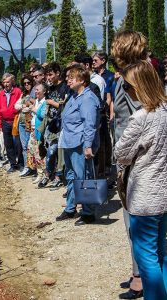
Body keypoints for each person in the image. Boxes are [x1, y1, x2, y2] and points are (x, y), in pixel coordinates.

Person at [115, 60, 167, 300]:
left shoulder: (141, 117)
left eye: (127, 86)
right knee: (162, 254)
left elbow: (121, 154)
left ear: (139, 86)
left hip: (145, 196)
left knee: (146, 258)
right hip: (164, 193)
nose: (125, 91)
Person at [111, 30, 148, 299]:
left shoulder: (132, 79)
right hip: (133, 159)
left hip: (134, 161)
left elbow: (141, 118)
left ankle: (140, 277)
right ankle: (141, 271)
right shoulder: (138, 74)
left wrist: (125, 156)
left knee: (134, 222)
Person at [56, 65, 100, 226]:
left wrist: (88, 145)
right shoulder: (74, 96)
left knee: (84, 178)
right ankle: (70, 208)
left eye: (71, 78)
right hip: (69, 141)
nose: (68, 80)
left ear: (82, 80)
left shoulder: (87, 98)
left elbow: (89, 124)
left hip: (80, 143)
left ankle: (88, 212)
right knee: (71, 176)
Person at [0, 73, 23, 173]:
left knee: (18, 143)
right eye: (4, 82)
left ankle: (20, 163)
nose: (6, 84)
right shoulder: (0, 94)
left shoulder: (18, 92)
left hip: (15, 120)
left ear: (12, 82)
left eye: (8, 82)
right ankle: (12, 164)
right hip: (5, 122)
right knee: (8, 144)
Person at [15, 75, 36, 177]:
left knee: (30, 145)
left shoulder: (34, 94)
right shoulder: (23, 94)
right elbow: (16, 106)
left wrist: (26, 107)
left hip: (30, 121)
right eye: (25, 84)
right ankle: (27, 166)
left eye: (28, 83)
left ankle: (33, 166)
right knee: (24, 146)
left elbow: (34, 107)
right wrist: (25, 106)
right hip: (22, 122)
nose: (27, 85)